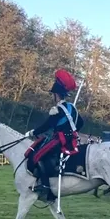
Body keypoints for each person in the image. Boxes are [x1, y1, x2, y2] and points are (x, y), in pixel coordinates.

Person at [25, 69, 83, 198]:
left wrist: (32, 132)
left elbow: (47, 125)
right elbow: (80, 123)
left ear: (56, 95)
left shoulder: (57, 109)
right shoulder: (72, 108)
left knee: (37, 156)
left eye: (53, 94)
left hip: (60, 140)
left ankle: (45, 185)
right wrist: (71, 131)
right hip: (72, 139)